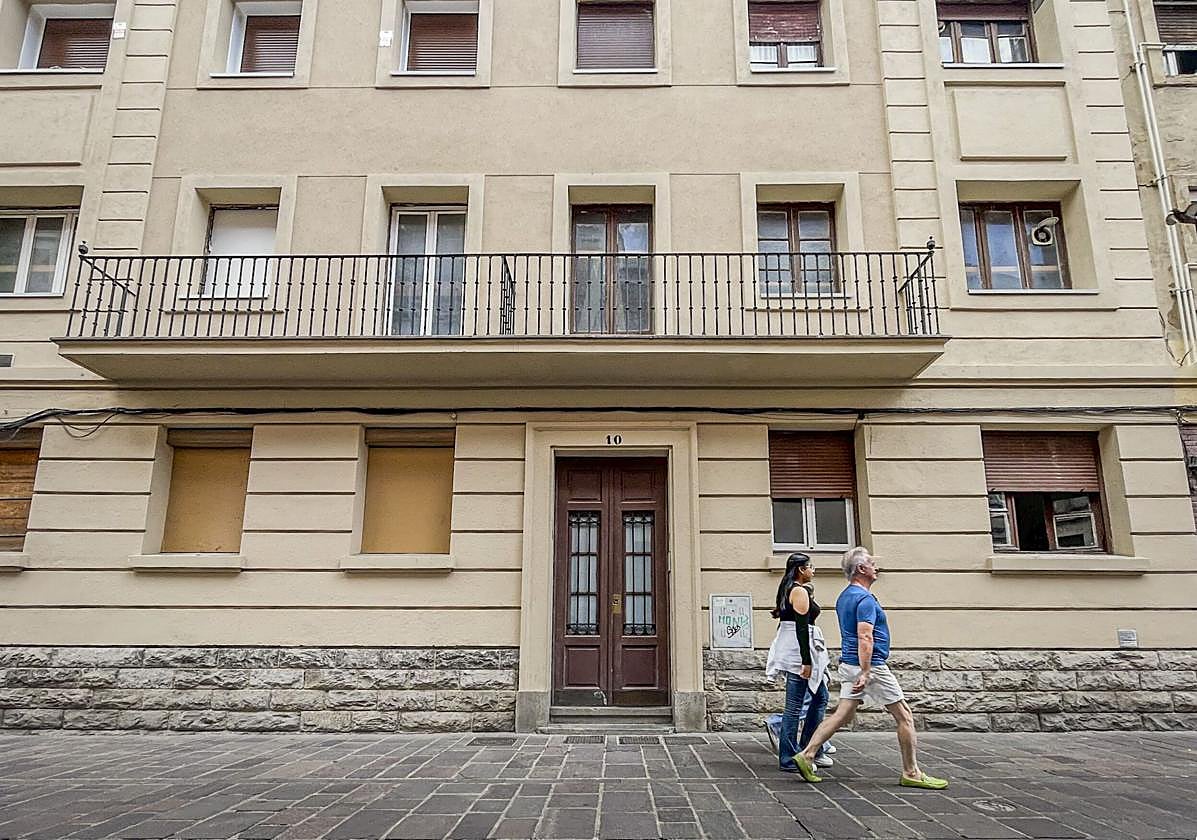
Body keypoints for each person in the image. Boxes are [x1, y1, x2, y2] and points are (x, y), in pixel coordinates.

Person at [792, 547, 949, 789]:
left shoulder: (845, 596)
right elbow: (865, 636)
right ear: (862, 569)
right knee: (905, 716)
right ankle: (911, 772)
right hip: (871, 666)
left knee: (842, 714)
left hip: (850, 663)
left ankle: (807, 754)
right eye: (872, 564)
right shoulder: (864, 599)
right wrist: (867, 672)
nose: (876, 568)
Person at [764, 552, 832, 773]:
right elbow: (802, 629)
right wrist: (806, 661)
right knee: (794, 707)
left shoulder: (788, 589)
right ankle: (790, 756)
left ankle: (808, 748)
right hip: (798, 655)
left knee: (820, 697)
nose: (813, 570)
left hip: (796, 652)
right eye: (811, 567)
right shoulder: (799, 591)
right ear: (801, 569)